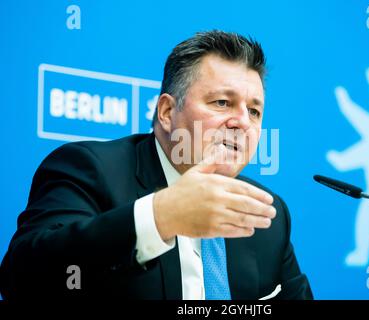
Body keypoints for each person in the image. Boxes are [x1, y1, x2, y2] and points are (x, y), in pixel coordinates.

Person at [0, 30, 313, 300]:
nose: (242, 122)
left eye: (255, 111)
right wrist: (159, 216)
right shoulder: (90, 170)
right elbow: (24, 281)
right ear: (166, 112)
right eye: (222, 102)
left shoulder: (266, 214)